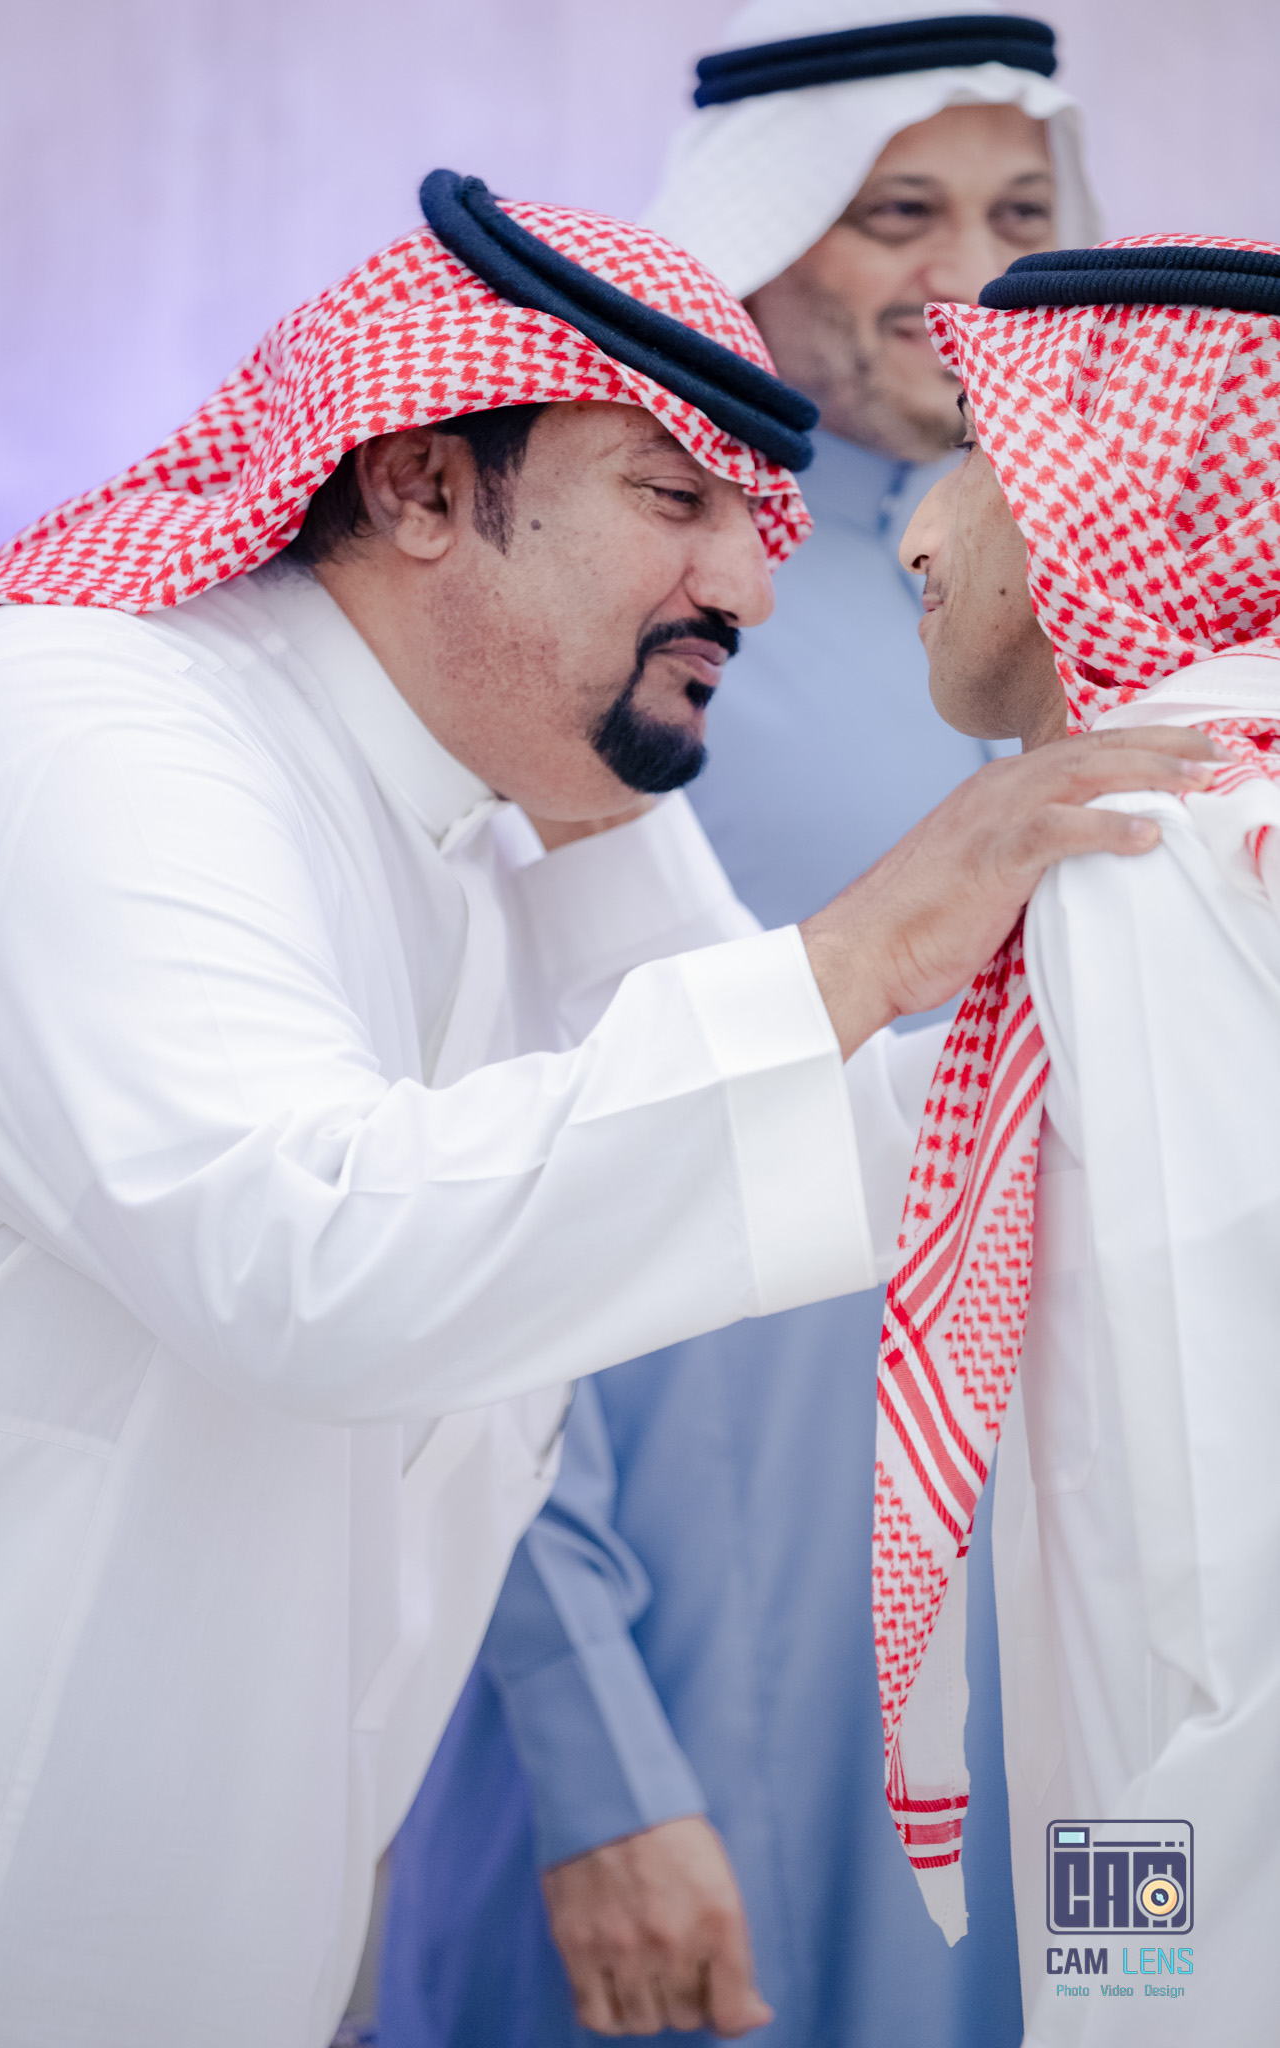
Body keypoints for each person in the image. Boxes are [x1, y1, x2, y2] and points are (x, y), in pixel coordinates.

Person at [0, 169, 1206, 2048]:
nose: (753, 587)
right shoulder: (79, 731)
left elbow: (790, 1123)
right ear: (419, 485)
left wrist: (1150, 1025)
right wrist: (869, 941)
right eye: (675, 502)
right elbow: (312, 1259)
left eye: (759, 517)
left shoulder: (505, 794)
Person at [376, 7, 1099, 2045]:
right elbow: (467, 1217)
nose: (968, 275)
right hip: (695, 1619)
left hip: (1027, 1597)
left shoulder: (1091, 619)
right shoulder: (620, 640)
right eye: (899, 213)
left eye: (1018, 215)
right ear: (757, 239)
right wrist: (596, 1756)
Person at [877, 234, 1280, 2043]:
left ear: (1118, 480)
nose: (916, 534)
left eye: (975, 448)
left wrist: (1137, 1995)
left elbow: (1197, 1566)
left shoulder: (1155, 852)